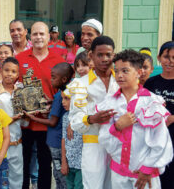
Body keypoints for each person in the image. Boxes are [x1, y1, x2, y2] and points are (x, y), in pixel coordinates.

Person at [98, 49, 173, 189]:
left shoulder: (151, 102)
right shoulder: (110, 102)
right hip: (119, 172)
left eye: (125, 71)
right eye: (117, 70)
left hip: (144, 173)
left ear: (139, 72)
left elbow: (161, 140)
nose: (119, 75)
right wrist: (117, 127)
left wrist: (147, 169)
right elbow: (104, 138)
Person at [16, 21, 65, 189]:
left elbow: (65, 90)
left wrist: (55, 103)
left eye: (42, 34)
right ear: (30, 35)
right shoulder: (20, 59)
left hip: (48, 122)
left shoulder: (58, 60)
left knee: (45, 164)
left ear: (48, 36)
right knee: (23, 163)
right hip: (25, 122)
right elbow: (11, 86)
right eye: (35, 34)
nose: (38, 37)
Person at [68, 36, 118, 189]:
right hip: (93, 144)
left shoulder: (121, 81)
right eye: (100, 55)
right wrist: (91, 119)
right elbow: (75, 120)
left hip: (119, 145)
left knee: (117, 185)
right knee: (92, 186)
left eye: (108, 55)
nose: (104, 59)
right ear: (91, 56)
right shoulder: (81, 84)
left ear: (113, 56)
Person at [24, 62, 74, 189]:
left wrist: (33, 118)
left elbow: (53, 122)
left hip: (56, 142)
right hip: (59, 140)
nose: (50, 80)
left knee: (59, 175)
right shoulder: (65, 94)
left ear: (63, 79)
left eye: (53, 77)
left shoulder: (59, 96)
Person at [144, 41, 174, 189]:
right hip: (155, 139)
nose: (170, 61)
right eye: (166, 56)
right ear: (159, 58)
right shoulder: (150, 83)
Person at [0, 57, 26, 188]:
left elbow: (24, 123)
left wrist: (28, 115)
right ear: (1, 71)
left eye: (13, 71)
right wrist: (14, 118)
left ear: (18, 74)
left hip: (17, 142)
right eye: (6, 70)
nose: (9, 74)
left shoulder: (20, 91)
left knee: (17, 176)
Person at [61, 88, 83, 189]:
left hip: (81, 165)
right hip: (69, 162)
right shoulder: (65, 117)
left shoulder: (84, 117)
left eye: (67, 98)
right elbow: (64, 139)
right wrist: (64, 162)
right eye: (62, 99)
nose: (63, 102)